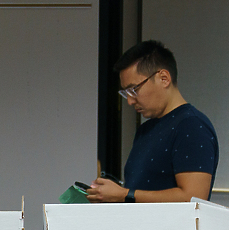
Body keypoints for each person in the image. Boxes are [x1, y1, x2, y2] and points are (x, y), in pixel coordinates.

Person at [87, 40, 218, 203]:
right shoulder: (145, 129)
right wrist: (114, 198)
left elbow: (192, 198)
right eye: (125, 93)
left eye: (134, 90)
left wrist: (123, 194)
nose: (130, 101)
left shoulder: (192, 126)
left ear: (164, 78)